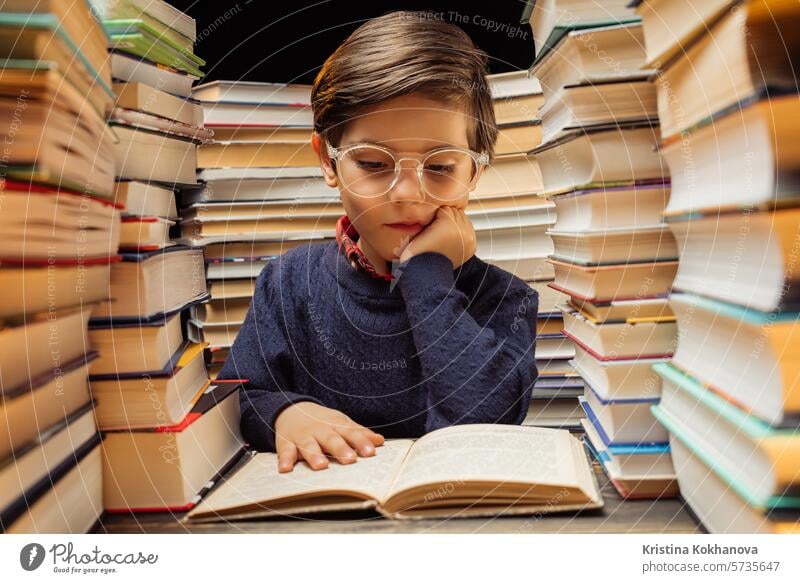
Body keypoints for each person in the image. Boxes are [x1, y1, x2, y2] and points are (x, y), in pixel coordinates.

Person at [217, 10, 538, 472]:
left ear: (475, 173)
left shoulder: (506, 299)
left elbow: (484, 423)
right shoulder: (287, 284)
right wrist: (285, 413)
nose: (406, 194)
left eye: (442, 166)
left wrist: (427, 273)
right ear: (328, 161)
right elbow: (240, 397)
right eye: (372, 163)